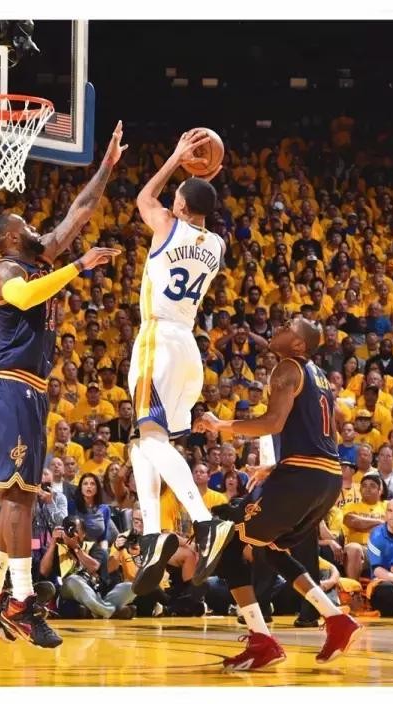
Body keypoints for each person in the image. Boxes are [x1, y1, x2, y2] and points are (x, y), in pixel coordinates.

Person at [0, 121, 127, 649]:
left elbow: (79, 212)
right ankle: (21, 603)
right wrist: (80, 265)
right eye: (27, 224)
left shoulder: (38, 260)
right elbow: (26, 298)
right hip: (9, 385)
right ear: (11, 236)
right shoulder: (1, 270)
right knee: (19, 500)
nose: (37, 228)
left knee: (21, 498)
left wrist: (106, 166)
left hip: (31, 389)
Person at [195, 317, 361, 670]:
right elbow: (321, 437)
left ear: (299, 345)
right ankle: (334, 618)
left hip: (302, 477)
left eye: (288, 327)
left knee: (228, 541)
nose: (279, 328)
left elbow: (273, 423)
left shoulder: (287, 368)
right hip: (325, 478)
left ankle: (263, 641)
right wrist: (275, 467)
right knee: (268, 547)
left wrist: (220, 425)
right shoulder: (319, 376)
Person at [128, 129, 234, 596]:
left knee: (150, 439)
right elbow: (197, 211)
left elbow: (143, 197)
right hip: (189, 348)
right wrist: (203, 179)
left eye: (178, 198)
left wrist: (175, 159)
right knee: (143, 445)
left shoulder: (168, 227)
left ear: (182, 205)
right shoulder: (217, 245)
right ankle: (154, 535)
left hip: (158, 338)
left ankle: (205, 521)